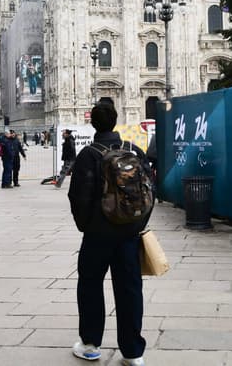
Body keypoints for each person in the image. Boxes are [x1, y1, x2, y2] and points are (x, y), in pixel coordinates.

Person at [67, 101, 151, 365]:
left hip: (97, 236)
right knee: (129, 289)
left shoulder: (88, 155)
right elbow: (150, 191)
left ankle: (90, 344)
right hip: (128, 234)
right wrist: (137, 224)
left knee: (90, 285)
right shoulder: (134, 151)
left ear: (93, 123)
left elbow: (78, 197)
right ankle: (133, 353)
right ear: (116, 121)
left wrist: (88, 226)